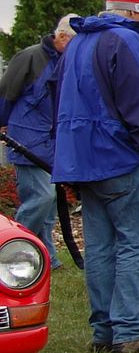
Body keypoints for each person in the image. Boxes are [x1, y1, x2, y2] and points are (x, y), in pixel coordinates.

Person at [53, 0, 139, 353]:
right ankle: (130, 331)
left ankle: (103, 331)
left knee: (101, 246)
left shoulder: (78, 42)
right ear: (138, 13)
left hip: (82, 160)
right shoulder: (125, 40)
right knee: (134, 243)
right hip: (123, 158)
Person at [0, 15, 77, 268]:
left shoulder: (63, 60)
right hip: (27, 141)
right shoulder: (31, 58)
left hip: (48, 142)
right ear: (62, 36)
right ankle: (9, 247)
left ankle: (49, 258)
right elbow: (6, 93)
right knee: (41, 198)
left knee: (48, 202)